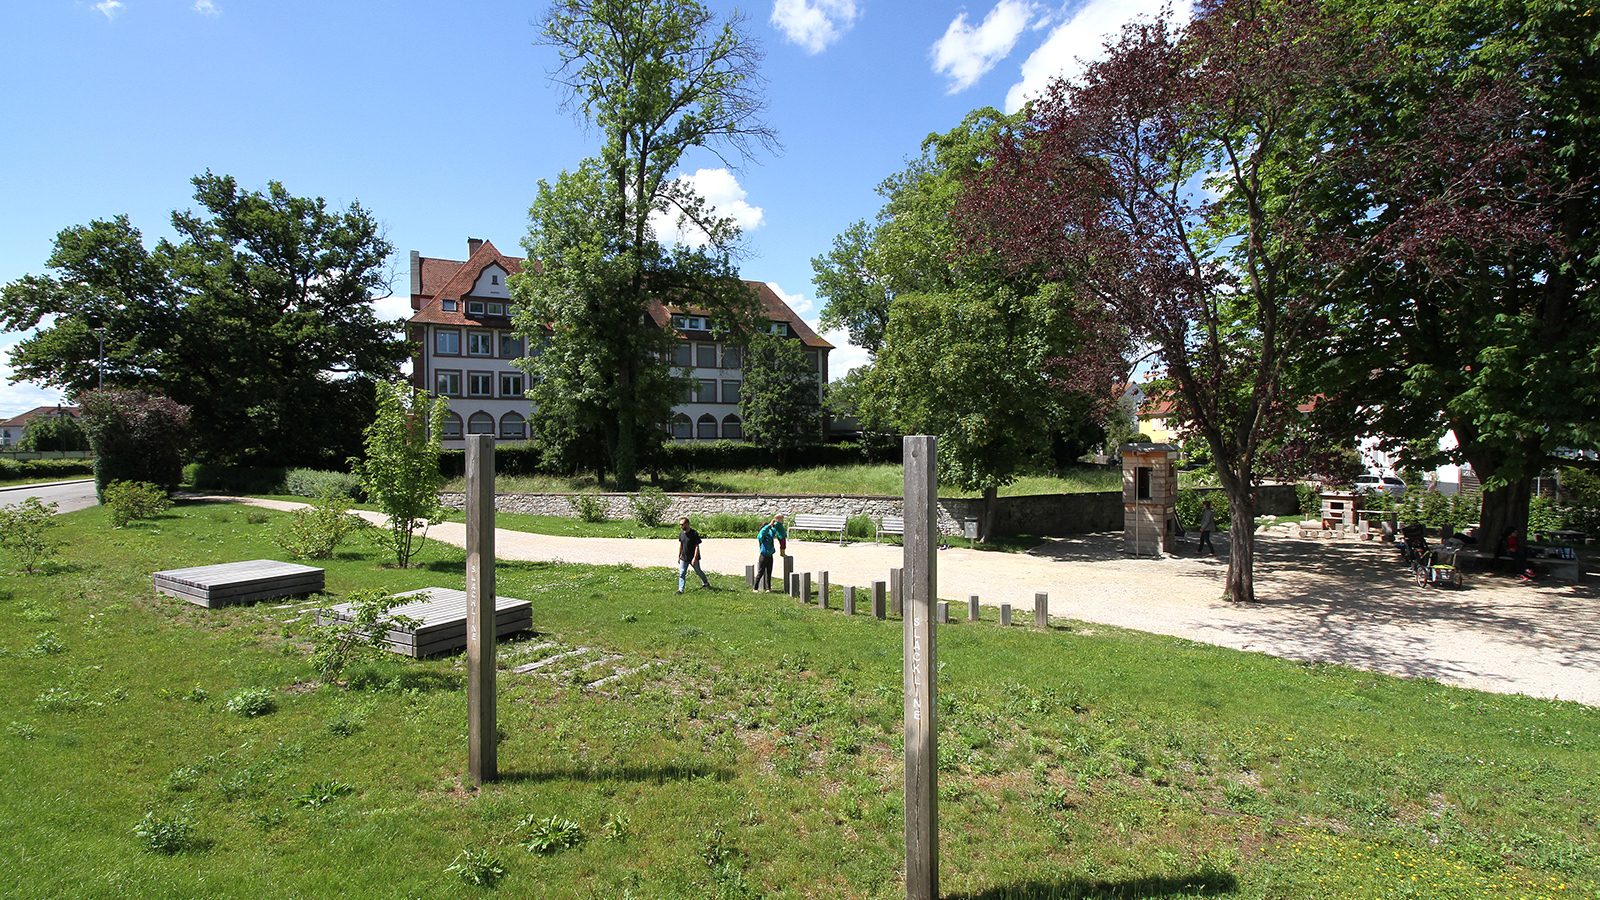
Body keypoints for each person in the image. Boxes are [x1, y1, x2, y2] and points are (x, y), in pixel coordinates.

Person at [677, 517, 712, 594]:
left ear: (687, 524)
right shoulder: (681, 534)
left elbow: (697, 547)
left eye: (682, 524)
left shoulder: (694, 533)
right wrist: (679, 556)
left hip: (693, 557)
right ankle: (680, 590)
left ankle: (706, 583)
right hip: (684, 557)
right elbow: (681, 545)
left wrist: (694, 558)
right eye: (680, 525)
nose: (681, 526)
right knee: (682, 573)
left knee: (698, 571)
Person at [754, 514, 787, 593]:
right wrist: (768, 525)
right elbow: (762, 533)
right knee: (760, 573)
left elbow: (777, 529)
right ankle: (755, 588)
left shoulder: (770, 534)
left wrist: (777, 522)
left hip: (770, 556)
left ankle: (768, 588)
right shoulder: (762, 536)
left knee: (769, 572)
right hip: (763, 556)